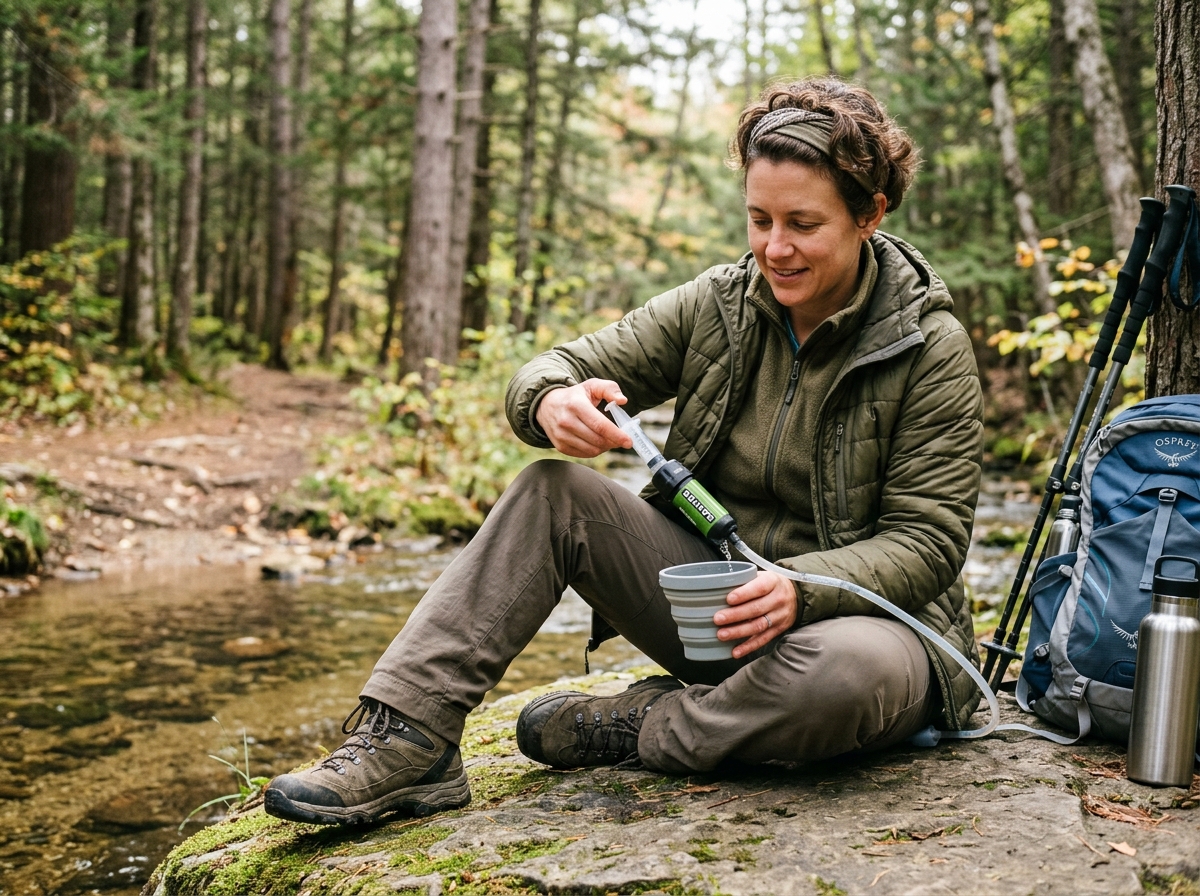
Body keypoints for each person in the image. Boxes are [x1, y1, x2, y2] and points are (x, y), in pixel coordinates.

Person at [264, 76, 985, 826]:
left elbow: (928, 541)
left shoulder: (929, 347)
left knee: (843, 676)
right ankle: (409, 739)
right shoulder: (718, 305)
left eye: (803, 223)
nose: (775, 248)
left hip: (866, 635)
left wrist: (800, 587)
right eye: (759, 218)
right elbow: (556, 366)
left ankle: (640, 726)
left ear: (870, 213)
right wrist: (550, 401)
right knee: (552, 492)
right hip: (721, 613)